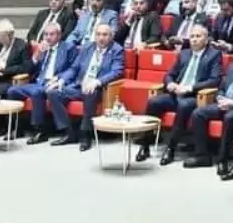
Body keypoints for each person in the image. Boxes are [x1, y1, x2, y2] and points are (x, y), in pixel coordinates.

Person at [136, 25, 222, 166]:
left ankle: (171, 148)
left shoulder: (214, 55)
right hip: (175, 93)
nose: (194, 39)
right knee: (154, 102)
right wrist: (170, 83)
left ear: (206, 40)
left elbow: (214, 80)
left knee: (184, 105)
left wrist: (189, 88)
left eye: (198, 36)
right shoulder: (184, 54)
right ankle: (145, 145)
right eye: (192, 36)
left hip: (195, 96)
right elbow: (169, 74)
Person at [47, 23, 125, 151]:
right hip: (79, 86)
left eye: (105, 35)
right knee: (52, 92)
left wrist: (97, 82)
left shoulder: (117, 50)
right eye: (98, 34)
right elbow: (74, 68)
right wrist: (62, 80)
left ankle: (85, 134)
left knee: (90, 92)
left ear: (111, 37)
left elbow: (117, 71)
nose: (101, 38)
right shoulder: (87, 47)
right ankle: (69, 132)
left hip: (98, 89)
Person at [7, 22, 77, 144]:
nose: (48, 37)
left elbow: (73, 69)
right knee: (12, 91)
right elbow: (29, 69)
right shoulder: (42, 48)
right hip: (39, 82)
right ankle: (18, 128)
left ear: (59, 35)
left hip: (54, 83)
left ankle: (40, 131)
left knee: (36, 92)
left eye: (51, 34)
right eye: (46, 34)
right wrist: (37, 55)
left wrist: (59, 78)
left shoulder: (68, 48)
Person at [186, 63, 233, 176]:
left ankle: (223, 160)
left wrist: (231, 103)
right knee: (198, 113)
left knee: (229, 118)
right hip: (224, 103)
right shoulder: (232, 67)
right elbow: (221, 88)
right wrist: (220, 98)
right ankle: (202, 156)